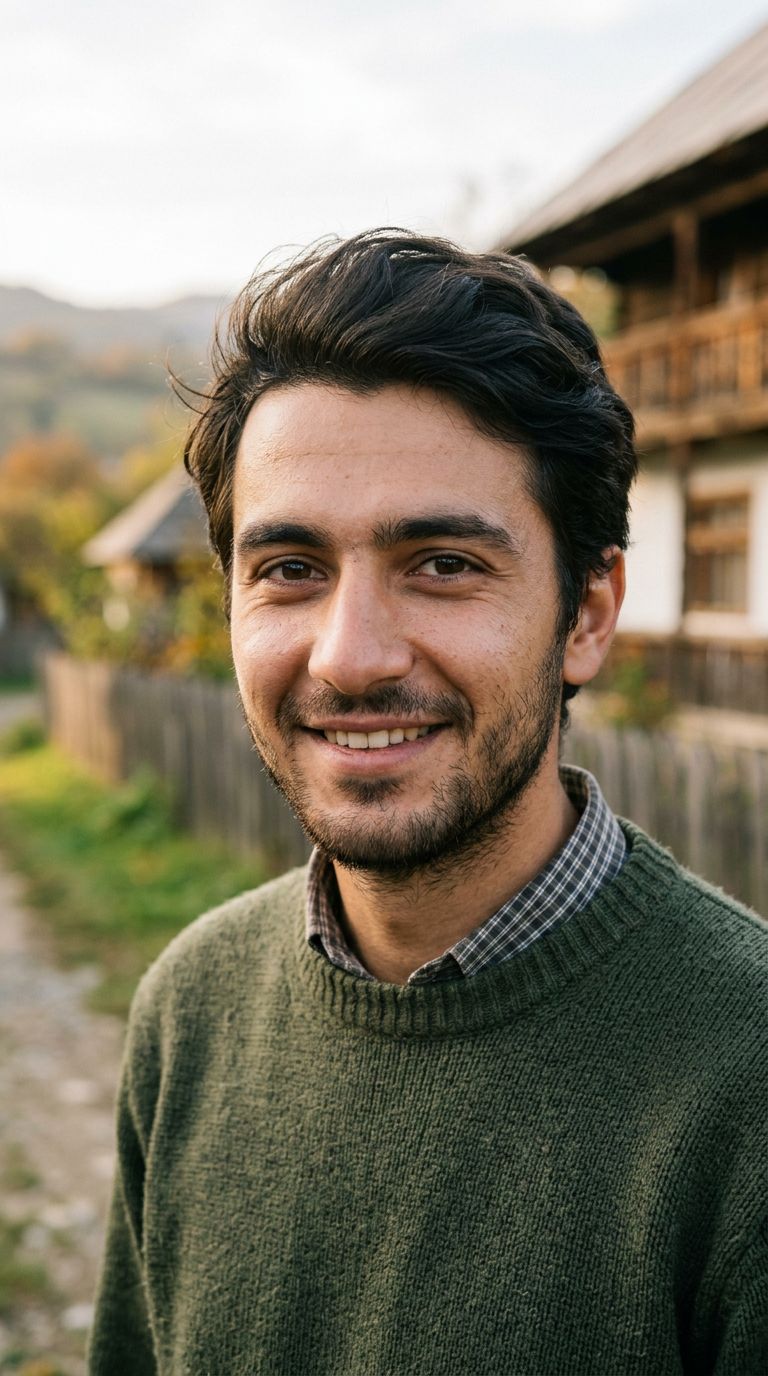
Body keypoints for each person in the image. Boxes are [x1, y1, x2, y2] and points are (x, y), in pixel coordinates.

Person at [88, 231, 767, 1375]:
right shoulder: (189, 1011)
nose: (349, 656)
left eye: (443, 562)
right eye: (290, 567)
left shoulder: (745, 1091)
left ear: (589, 611)